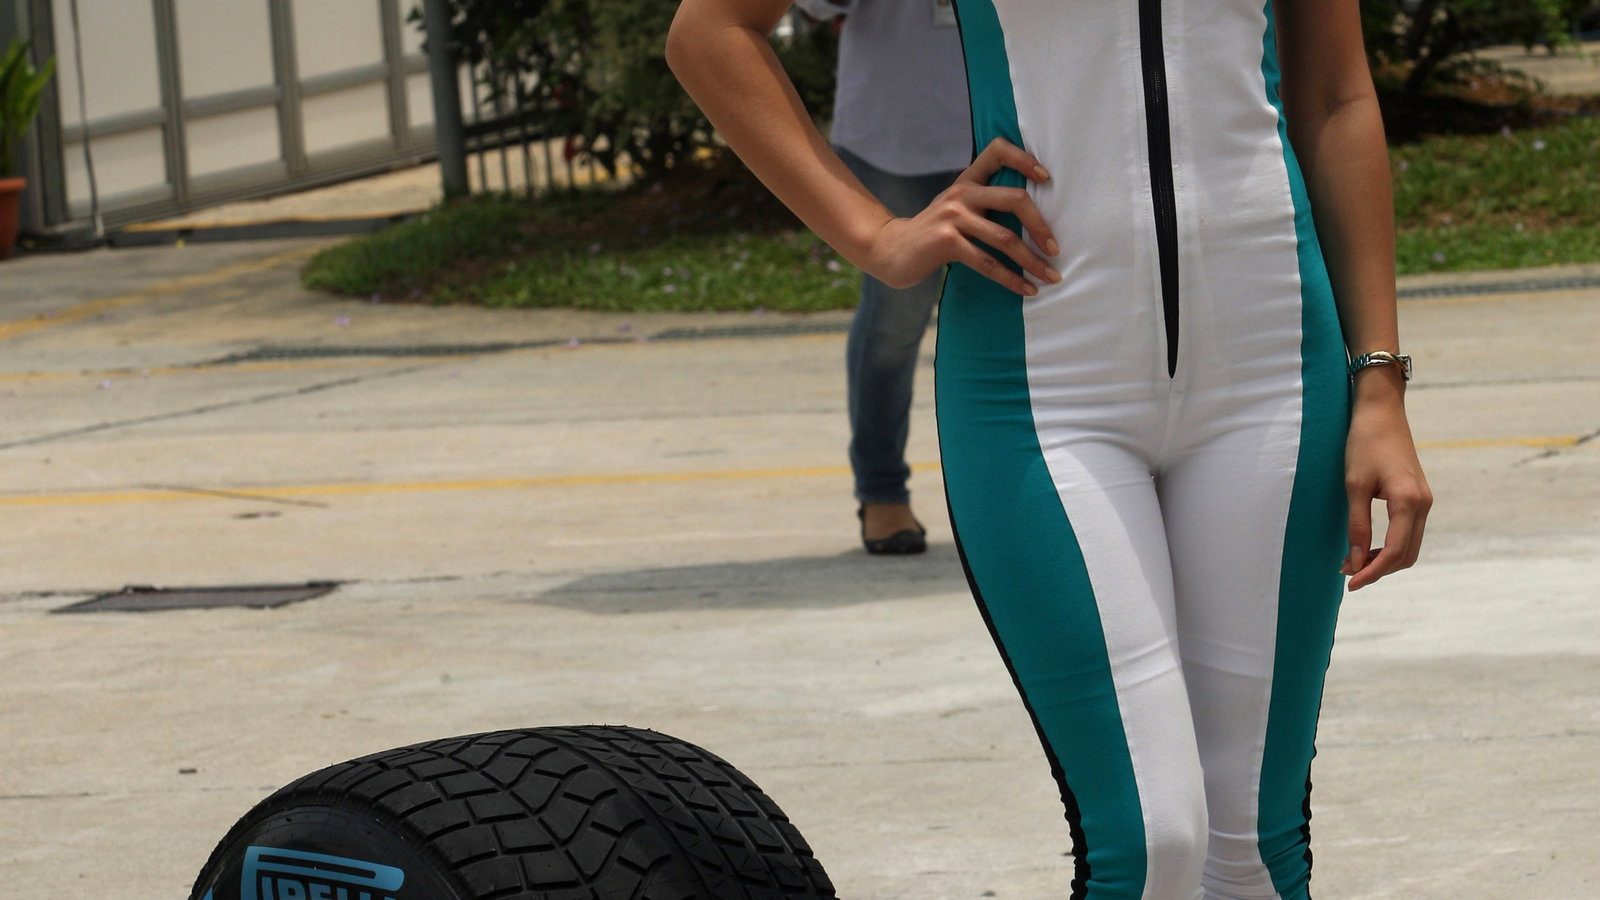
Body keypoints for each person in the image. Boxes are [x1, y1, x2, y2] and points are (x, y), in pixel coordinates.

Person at [668, 0, 1432, 897]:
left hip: (1273, 371)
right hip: (1042, 388)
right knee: (1150, 842)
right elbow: (711, 32)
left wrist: (1378, 384)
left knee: (1254, 855)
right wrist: (878, 235)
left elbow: (1337, 98)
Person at [790, 0, 970, 555]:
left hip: (1012, 128)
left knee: (1018, 320)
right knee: (896, 319)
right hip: (893, 134)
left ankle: (1021, 494)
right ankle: (882, 488)